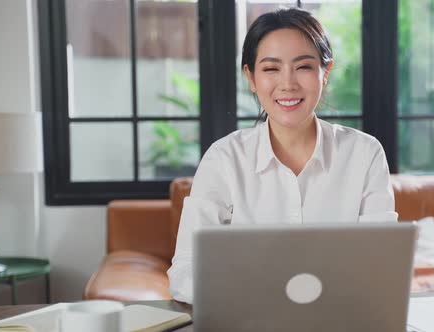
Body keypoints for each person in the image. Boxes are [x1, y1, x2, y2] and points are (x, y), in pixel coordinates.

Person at [167, 7, 397, 304]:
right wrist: (257, 293)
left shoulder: (364, 154)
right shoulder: (223, 159)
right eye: (271, 69)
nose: (287, 84)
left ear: (325, 73)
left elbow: (381, 266)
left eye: (302, 67)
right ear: (250, 77)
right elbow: (185, 272)